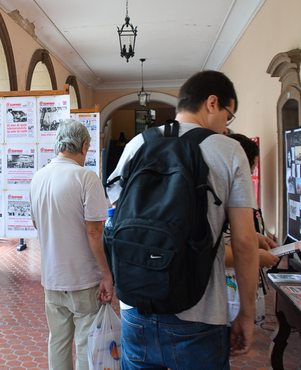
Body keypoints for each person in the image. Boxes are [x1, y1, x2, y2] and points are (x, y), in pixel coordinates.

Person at [106, 70, 259, 369]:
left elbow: (115, 211)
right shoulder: (229, 151)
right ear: (212, 103)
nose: (226, 126)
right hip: (200, 313)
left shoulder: (138, 143)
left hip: (135, 307)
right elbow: (244, 242)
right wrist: (247, 314)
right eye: (229, 116)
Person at [29, 119, 112, 370]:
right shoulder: (86, 177)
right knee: (87, 343)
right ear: (85, 146)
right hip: (84, 280)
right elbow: (94, 231)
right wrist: (106, 275)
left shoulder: (38, 178)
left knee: (58, 342)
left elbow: (37, 224)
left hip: (52, 279)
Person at [224, 133, 279, 324]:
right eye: (250, 171)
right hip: (226, 291)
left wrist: (255, 236)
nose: (251, 177)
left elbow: (231, 234)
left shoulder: (233, 194)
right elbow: (214, 251)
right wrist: (255, 256)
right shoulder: (218, 197)